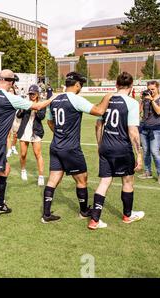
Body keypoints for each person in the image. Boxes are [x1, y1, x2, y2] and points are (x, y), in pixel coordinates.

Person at [0, 70, 53, 222]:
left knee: (6, 169)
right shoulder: (10, 97)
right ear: (11, 82)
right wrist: (53, 98)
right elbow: (37, 106)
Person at [42, 72, 113, 224]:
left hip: (55, 145)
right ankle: (83, 211)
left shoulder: (55, 98)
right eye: (81, 84)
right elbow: (99, 111)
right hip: (70, 148)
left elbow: (49, 122)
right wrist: (108, 96)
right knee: (82, 179)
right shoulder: (75, 99)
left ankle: (46, 214)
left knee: (53, 179)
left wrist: (60, 133)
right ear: (77, 85)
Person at [88, 72, 145, 230]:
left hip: (106, 146)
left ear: (117, 85)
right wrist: (139, 154)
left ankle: (94, 220)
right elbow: (133, 132)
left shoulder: (107, 99)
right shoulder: (132, 103)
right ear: (131, 86)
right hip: (122, 148)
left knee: (104, 181)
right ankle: (127, 215)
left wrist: (100, 145)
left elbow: (98, 125)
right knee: (127, 181)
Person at [17, 85, 46, 186]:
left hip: (36, 131)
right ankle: (23, 170)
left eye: (33, 93)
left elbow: (41, 117)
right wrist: (22, 108)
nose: (31, 95)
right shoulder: (25, 102)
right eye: (30, 94)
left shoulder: (41, 104)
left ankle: (41, 176)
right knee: (23, 154)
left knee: (38, 154)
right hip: (24, 131)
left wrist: (36, 107)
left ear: (37, 94)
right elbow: (18, 115)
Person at [138, 81, 160, 184]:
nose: (151, 91)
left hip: (156, 129)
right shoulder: (146, 98)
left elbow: (159, 111)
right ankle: (147, 172)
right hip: (144, 128)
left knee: (155, 152)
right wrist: (141, 100)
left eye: (153, 89)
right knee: (146, 151)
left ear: (158, 88)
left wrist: (152, 100)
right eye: (149, 89)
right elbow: (140, 112)